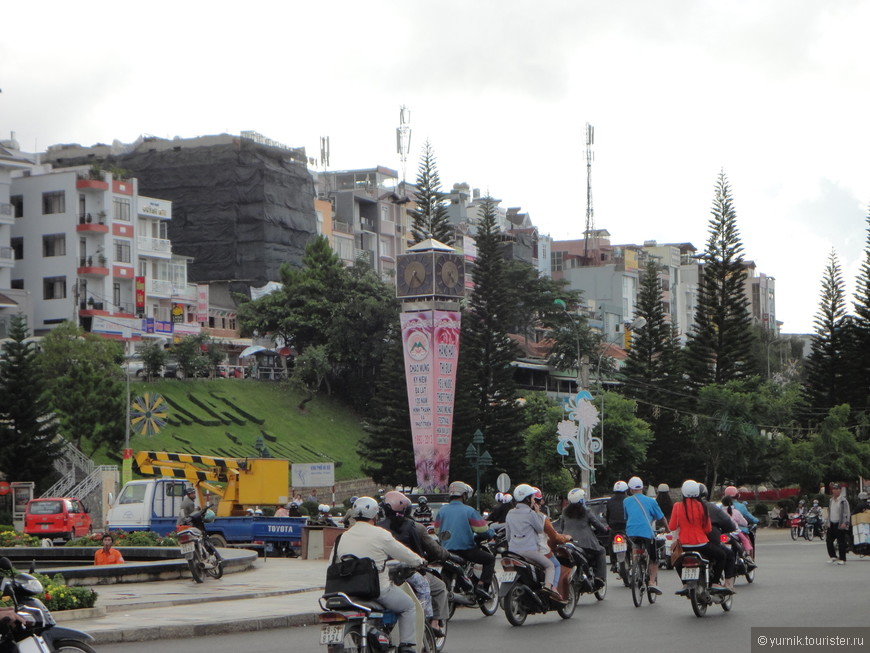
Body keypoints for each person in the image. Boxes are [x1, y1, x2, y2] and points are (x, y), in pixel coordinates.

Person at [334, 497, 424, 653]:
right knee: (408, 606)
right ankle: (407, 647)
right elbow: (404, 553)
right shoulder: (380, 534)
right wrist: (419, 561)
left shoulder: (342, 537)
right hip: (376, 589)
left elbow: (332, 564)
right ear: (375, 515)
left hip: (346, 590)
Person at [379, 491, 448, 638]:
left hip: (382, 573)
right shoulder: (415, 527)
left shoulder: (377, 528)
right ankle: (430, 622)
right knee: (439, 586)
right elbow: (428, 552)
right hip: (409, 572)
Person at [434, 481, 495, 600]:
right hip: (466, 549)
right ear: (464, 495)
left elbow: (437, 530)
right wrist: (491, 533)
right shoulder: (469, 511)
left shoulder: (442, 511)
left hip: (446, 550)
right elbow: (482, 530)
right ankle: (481, 586)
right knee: (489, 559)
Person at [669, 480, 729, 595]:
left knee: (677, 560)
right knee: (722, 556)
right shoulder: (703, 506)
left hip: (684, 545)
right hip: (702, 544)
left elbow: (672, 526)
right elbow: (708, 529)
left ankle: (685, 584)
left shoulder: (677, 506)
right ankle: (715, 583)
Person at [504, 484, 561, 601]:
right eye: (532, 498)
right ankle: (547, 587)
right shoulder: (531, 514)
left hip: (513, 551)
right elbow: (540, 529)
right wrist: (538, 513)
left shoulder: (510, 513)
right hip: (529, 551)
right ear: (527, 499)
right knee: (550, 566)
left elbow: (508, 535)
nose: (534, 500)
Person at [553, 487, 608, 588]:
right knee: (601, 551)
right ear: (582, 499)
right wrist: (605, 530)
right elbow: (597, 524)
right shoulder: (586, 511)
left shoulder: (565, 511)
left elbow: (562, 527)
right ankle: (600, 578)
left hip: (568, 543)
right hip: (586, 544)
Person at [622, 476, 664, 594]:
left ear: (630, 489)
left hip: (631, 533)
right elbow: (661, 517)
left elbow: (627, 517)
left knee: (635, 547)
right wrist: (667, 528)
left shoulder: (626, 501)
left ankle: (635, 563)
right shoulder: (651, 501)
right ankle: (651, 582)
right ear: (642, 488)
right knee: (654, 558)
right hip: (646, 533)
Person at [699, 483, 737, 592]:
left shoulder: (682, 507)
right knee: (727, 554)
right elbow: (727, 522)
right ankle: (726, 584)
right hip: (707, 543)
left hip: (686, 543)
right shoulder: (710, 507)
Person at [826, 482, 850, 565]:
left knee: (841, 542)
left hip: (839, 524)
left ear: (840, 490)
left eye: (837, 489)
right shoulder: (831, 500)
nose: (835, 491)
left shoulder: (843, 501)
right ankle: (833, 556)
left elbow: (846, 513)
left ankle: (842, 558)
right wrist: (827, 522)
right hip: (832, 523)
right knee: (829, 540)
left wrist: (845, 522)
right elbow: (829, 512)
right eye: (834, 489)